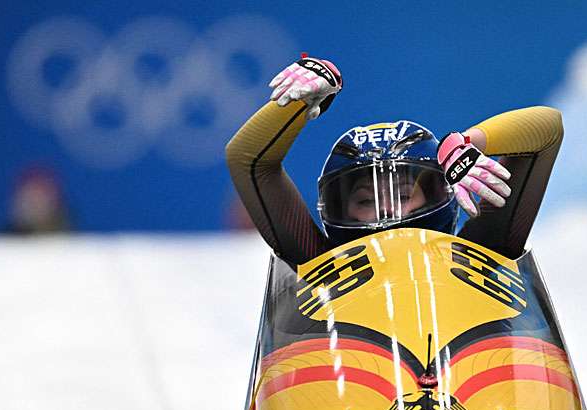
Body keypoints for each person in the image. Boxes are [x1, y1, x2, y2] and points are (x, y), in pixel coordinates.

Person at [224, 56, 563, 265]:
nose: (387, 214)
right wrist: (299, 102)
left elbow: (549, 127)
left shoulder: (484, 248)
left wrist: (464, 142)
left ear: (440, 194)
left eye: (402, 195)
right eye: (366, 201)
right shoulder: (316, 261)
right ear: (336, 209)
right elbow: (246, 158)